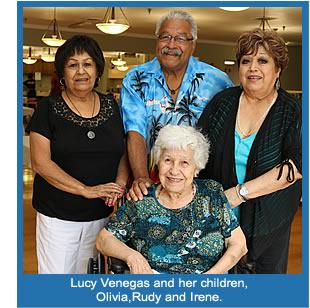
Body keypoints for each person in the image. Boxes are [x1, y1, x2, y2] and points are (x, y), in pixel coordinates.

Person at [197, 29, 302, 274]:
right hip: (217, 223)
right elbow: (196, 147)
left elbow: (297, 166)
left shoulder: (292, 112)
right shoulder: (222, 102)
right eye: (246, 61)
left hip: (269, 225)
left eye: (262, 61)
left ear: (278, 69)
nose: (253, 67)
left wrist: (239, 193)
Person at [27, 35, 129, 274]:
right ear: (63, 73)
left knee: (89, 277)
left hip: (101, 215)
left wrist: (120, 184)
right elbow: (40, 163)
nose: (81, 71)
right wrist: (85, 190)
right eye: (73, 65)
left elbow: (124, 151)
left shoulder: (112, 106)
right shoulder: (48, 109)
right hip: (58, 217)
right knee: (57, 285)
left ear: (97, 70)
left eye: (88, 64)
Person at [96, 125, 247, 274]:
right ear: (158, 162)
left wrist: (211, 276)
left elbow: (238, 245)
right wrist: (132, 256)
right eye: (168, 160)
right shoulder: (142, 199)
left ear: (197, 169)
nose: (174, 171)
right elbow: (104, 239)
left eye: (184, 163)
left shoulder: (212, 193)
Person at [120, 10, 234, 201]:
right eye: (165, 37)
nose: (171, 45)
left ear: (193, 45)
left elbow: (228, 134)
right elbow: (135, 132)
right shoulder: (136, 79)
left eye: (181, 38)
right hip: (151, 174)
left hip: (200, 181)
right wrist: (141, 178)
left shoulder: (218, 82)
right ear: (157, 40)